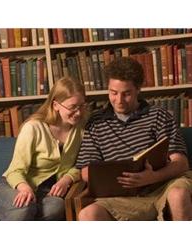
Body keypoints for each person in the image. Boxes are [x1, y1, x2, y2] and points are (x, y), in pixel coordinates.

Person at [75, 57, 192, 221]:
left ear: (138, 89)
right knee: (88, 214)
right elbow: (86, 172)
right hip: (121, 197)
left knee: (178, 195)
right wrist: (119, 179)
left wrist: (152, 177)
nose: (119, 100)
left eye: (126, 94)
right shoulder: (96, 123)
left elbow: (181, 163)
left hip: (163, 187)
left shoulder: (158, 115)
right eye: (113, 93)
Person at [0, 77, 88, 220]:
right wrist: (25, 188)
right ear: (56, 105)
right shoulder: (33, 128)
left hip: (46, 194)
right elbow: (15, 171)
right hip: (14, 186)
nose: (79, 112)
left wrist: (66, 179)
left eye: (82, 106)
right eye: (73, 107)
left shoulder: (81, 130)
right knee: (25, 207)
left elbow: (81, 164)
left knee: (56, 207)